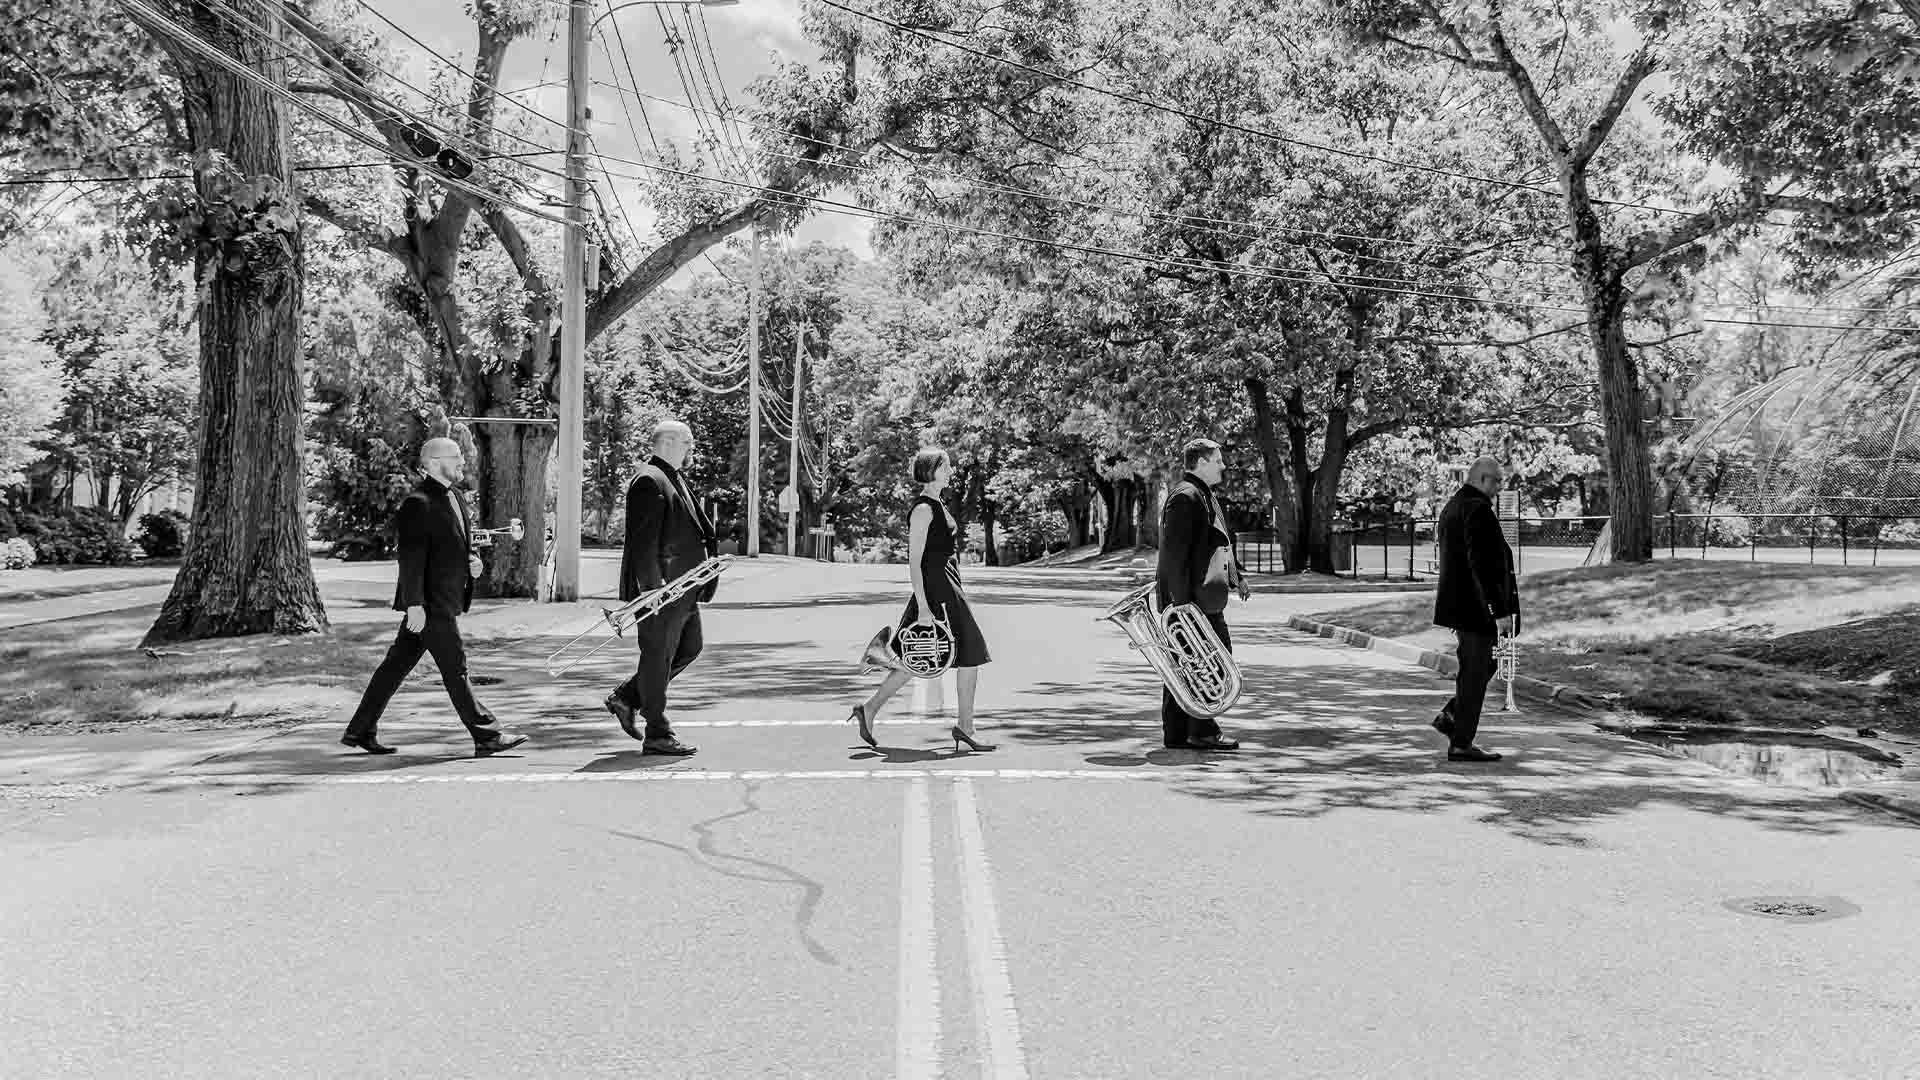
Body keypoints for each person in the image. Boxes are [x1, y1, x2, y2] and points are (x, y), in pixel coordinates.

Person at [340, 438, 527, 757]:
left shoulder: (454, 496)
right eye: (456, 457)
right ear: (434, 461)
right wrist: (414, 605)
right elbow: (411, 559)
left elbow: (456, 544)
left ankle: (360, 730)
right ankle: (487, 734)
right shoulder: (418, 502)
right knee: (456, 667)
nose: (462, 462)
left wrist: (473, 564)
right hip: (429, 604)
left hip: (443, 600)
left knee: (394, 667)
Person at [848, 448, 994, 753]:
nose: (951, 471)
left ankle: (869, 709)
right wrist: (924, 606)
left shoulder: (937, 504)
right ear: (931, 470)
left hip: (946, 586)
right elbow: (915, 562)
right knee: (970, 652)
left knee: (915, 659)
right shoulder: (924, 509)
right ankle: (966, 728)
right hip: (937, 592)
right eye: (946, 466)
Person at [603, 419, 716, 756]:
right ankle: (657, 732)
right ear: (667, 442)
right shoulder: (649, 480)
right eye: (687, 442)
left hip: (684, 587)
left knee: (688, 648)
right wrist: (653, 590)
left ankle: (626, 698)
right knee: (657, 657)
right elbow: (643, 543)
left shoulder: (671, 477)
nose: (691, 449)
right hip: (662, 591)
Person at [1156, 438, 1250, 751]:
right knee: (1209, 663)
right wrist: (1182, 606)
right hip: (1190, 603)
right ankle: (1201, 730)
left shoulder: (1202, 494)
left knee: (1189, 664)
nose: (1224, 466)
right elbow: (1174, 555)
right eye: (1218, 460)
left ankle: (1178, 733)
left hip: (1198, 599)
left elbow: (1218, 542)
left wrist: (1238, 578)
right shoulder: (1186, 496)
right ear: (1201, 462)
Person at [1430, 456, 1521, 763]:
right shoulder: (1477, 509)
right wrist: (1499, 611)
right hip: (1476, 608)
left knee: (1481, 668)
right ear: (1481, 479)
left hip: (1463, 605)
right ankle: (1461, 741)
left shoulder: (1454, 506)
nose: (1499, 487)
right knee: (1475, 672)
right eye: (1496, 481)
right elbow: (1481, 564)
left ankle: (1452, 718)